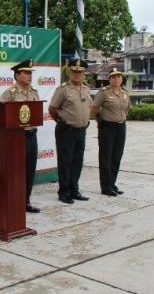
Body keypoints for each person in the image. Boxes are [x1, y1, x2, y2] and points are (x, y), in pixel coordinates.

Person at [48, 59, 92, 204]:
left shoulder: (86, 89)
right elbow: (52, 109)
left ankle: (74, 189)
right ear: (70, 72)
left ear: (84, 74)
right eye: (74, 71)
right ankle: (64, 192)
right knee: (65, 162)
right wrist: (63, 122)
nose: (77, 75)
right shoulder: (63, 89)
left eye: (80, 72)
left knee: (77, 161)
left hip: (81, 131)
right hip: (66, 130)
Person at [2, 59, 41, 213]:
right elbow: (1, 115)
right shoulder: (10, 94)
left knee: (29, 170)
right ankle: (12, 202)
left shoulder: (34, 92)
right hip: (16, 137)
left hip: (32, 135)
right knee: (14, 171)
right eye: (26, 72)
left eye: (30, 73)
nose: (29, 76)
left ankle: (25, 201)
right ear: (17, 75)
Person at [92, 68, 131, 196]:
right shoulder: (104, 92)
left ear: (121, 79)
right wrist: (99, 121)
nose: (116, 79)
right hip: (107, 127)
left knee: (116, 157)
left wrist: (121, 118)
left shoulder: (125, 93)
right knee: (106, 158)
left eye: (118, 77)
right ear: (109, 79)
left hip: (121, 127)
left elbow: (127, 109)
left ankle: (112, 183)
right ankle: (105, 187)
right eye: (113, 77)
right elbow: (94, 108)